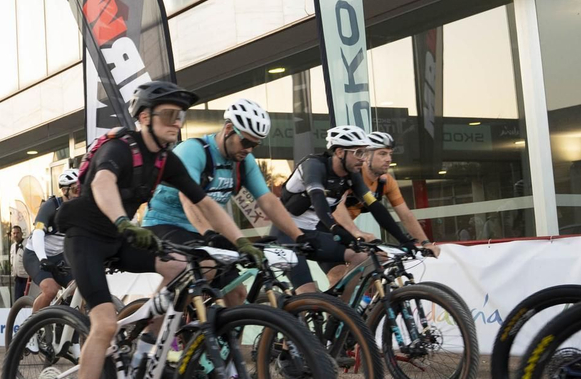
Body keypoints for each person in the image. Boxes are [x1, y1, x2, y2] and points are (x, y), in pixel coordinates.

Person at [58, 80, 253, 379]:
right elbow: (102, 182)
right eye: (168, 116)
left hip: (121, 236)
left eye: (180, 117)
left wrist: (241, 242)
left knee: (186, 267)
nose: (175, 124)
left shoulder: (166, 159)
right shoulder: (120, 147)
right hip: (86, 238)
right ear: (145, 117)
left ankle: (146, 348)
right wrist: (122, 220)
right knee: (105, 323)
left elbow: (206, 203)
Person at [141, 99, 313, 304]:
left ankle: (212, 332)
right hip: (165, 222)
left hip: (202, 230)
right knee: (205, 268)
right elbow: (188, 199)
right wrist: (209, 234)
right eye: (246, 142)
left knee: (236, 293)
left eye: (255, 144)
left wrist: (299, 236)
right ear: (229, 129)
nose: (249, 150)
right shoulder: (194, 150)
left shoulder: (242, 161)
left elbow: (267, 200)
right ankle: (153, 329)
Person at [279, 126, 414, 294]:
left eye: (364, 153)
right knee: (309, 293)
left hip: (311, 234)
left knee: (364, 258)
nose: (363, 159)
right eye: (358, 153)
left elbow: (375, 206)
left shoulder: (351, 175)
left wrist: (404, 240)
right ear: (340, 152)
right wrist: (335, 229)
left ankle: (342, 315)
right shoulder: (313, 166)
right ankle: (290, 315)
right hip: (286, 234)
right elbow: (318, 200)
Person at [344, 131, 435, 251]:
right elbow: (336, 209)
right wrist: (356, 232)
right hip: (325, 227)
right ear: (366, 156)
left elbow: (405, 215)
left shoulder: (386, 182)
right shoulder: (353, 176)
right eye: (382, 154)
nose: (388, 159)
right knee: (344, 266)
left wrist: (425, 243)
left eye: (390, 154)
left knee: (381, 259)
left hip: (346, 230)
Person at [26, 170, 81, 312]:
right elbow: (38, 232)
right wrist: (43, 258)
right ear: (64, 190)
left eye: (82, 189)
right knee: (51, 290)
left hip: (60, 255)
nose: (79, 193)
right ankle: (32, 329)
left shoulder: (81, 208)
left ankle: (78, 329)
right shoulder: (50, 206)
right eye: (76, 189)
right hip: (36, 255)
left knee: (80, 290)